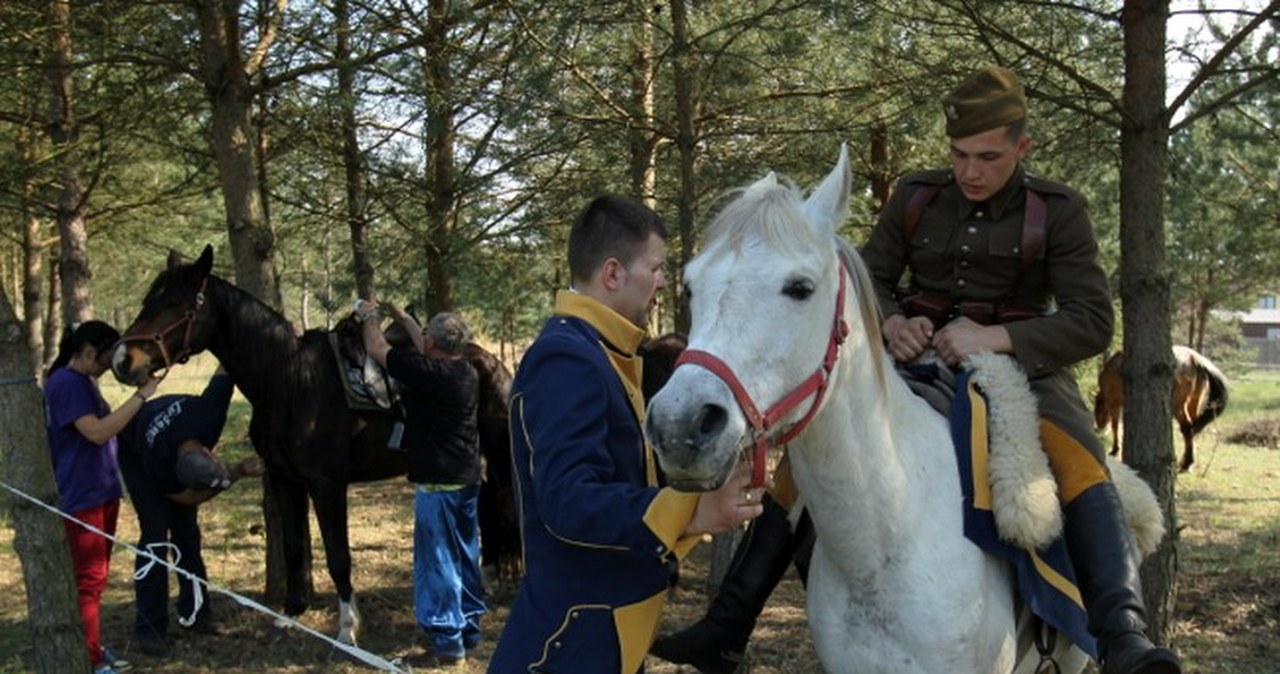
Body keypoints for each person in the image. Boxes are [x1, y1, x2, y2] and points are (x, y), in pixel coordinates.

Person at [653, 66, 1182, 674]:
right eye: (959, 155)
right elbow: (869, 276)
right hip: (913, 362)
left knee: (1079, 462)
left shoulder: (1057, 210)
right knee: (817, 452)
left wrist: (997, 335)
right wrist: (893, 321)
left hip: (1023, 371)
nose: (970, 172)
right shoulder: (917, 195)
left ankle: (1122, 635)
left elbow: (1092, 319)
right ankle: (729, 622)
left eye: (988, 157)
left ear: (1022, 147)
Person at [489, 194, 766, 674]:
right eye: (655, 267)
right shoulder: (567, 359)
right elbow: (568, 502)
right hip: (571, 649)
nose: (663, 281)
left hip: (601, 641)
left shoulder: (599, 352)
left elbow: (619, 495)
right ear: (613, 273)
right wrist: (687, 508)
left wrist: (697, 519)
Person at [357, 302, 486, 669]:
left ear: (433, 343)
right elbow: (427, 344)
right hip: (466, 479)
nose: (422, 338)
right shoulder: (464, 371)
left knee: (438, 564)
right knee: (464, 558)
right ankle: (469, 629)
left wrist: (369, 316)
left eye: (425, 334)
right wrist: (403, 318)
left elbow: (377, 350)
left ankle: (447, 645)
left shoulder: (426, 373)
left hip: (437, 485)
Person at [116, 365, 264, 658]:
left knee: (187, 536)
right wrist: (235, 473)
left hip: (166, 424)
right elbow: (187, 499)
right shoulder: (160, 466)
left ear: (209, 452)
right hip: (133, 447)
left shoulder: (209, 412)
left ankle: (196, 614)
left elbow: (225, 369)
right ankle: (150, 629)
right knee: (156, 537)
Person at [44, 320, 159, 674]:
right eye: (107, 360)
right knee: (89, 581)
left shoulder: (82, 381)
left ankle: (90, 644)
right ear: (90, 352)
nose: (110, 367)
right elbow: (96, 432)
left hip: (101, 490)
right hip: (83, 495)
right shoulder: (65, 383)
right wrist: (141, 396)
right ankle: (91, 661)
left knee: (96, 579)